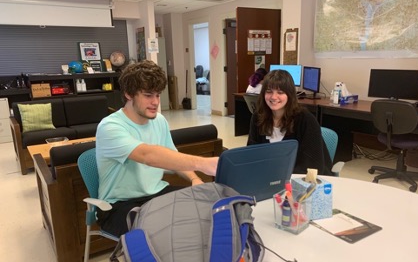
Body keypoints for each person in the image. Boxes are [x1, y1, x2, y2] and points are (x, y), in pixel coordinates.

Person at [95, 60, 219, 237]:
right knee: (169, 228)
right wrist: (204, 163)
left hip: (156, 194)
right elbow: (147, 155)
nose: (155, 102)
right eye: (147, 95)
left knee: (211, 206)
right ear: (129, 94)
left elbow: (172, 158)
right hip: (118, 206)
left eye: (158, 95)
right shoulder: (110, 127)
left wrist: (194, 179)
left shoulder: (159, 120)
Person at [247, 69, 333, 176]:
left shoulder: (305, 119)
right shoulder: (258, 117)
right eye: (269, 91)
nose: (274, 97)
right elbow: (251, 155)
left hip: (303, 180)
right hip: (269, 179)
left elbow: (312, 165)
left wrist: (278, 177)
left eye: (280, 92)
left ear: (290, 95)